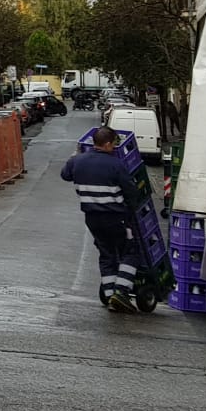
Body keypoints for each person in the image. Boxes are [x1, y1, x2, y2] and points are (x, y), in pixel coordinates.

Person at [60, 126, 143, 312]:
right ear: (106, 144)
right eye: (113, 144)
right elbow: (131, 192)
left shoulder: (78, 161)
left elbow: (65, 175)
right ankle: (120, 292)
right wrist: (131, 208)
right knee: (130, 252)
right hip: (115, 217)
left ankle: (108, 294)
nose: (114, 147)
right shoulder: (115, 165)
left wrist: (75, 156)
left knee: (106, 254)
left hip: (92, 218)